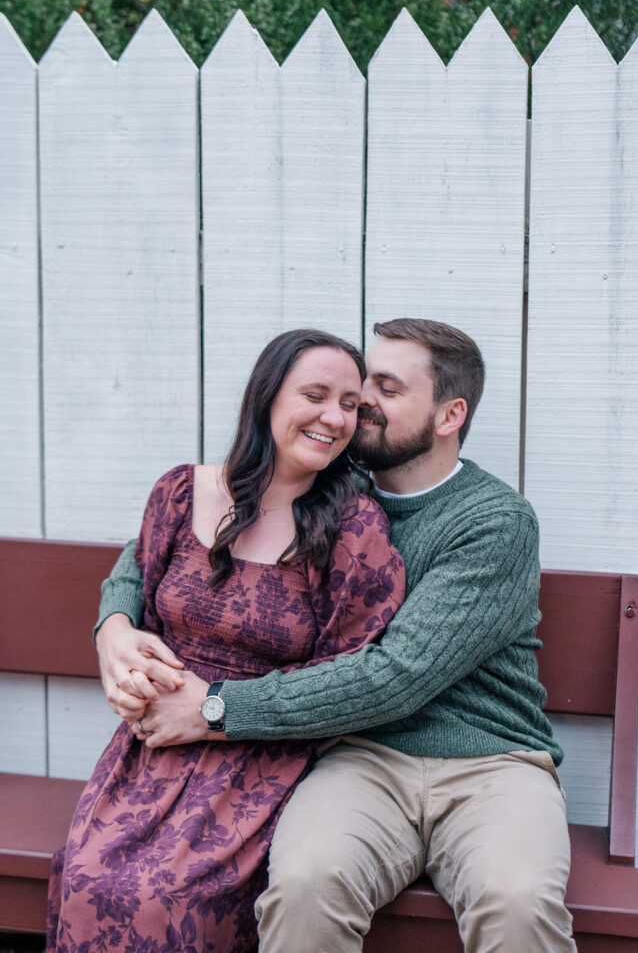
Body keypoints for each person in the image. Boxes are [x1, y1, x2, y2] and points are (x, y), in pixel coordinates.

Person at [96, 318, 577, 953]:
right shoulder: (329, 485)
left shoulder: (494, 522)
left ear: (449, 414)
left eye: (386, 388)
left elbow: (396, 675)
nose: (362, 404)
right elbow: (156, 547)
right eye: (360, 386)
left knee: (517, 904)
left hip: (491, 766)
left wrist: (216, 706)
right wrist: (115, 624)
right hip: (361, 758)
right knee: (303, 885)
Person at [46, 329, 405, 953]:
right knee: (86, 880)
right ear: (266, 398)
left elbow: (353, 672)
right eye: (315, 395)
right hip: (150, 750)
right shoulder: (181, 493)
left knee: (168, 904)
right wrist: (121, 644)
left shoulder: (353, 525)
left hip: (263, 757)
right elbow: (135, 582)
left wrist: (215, 708)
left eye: (350, 404)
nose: (334, 417)